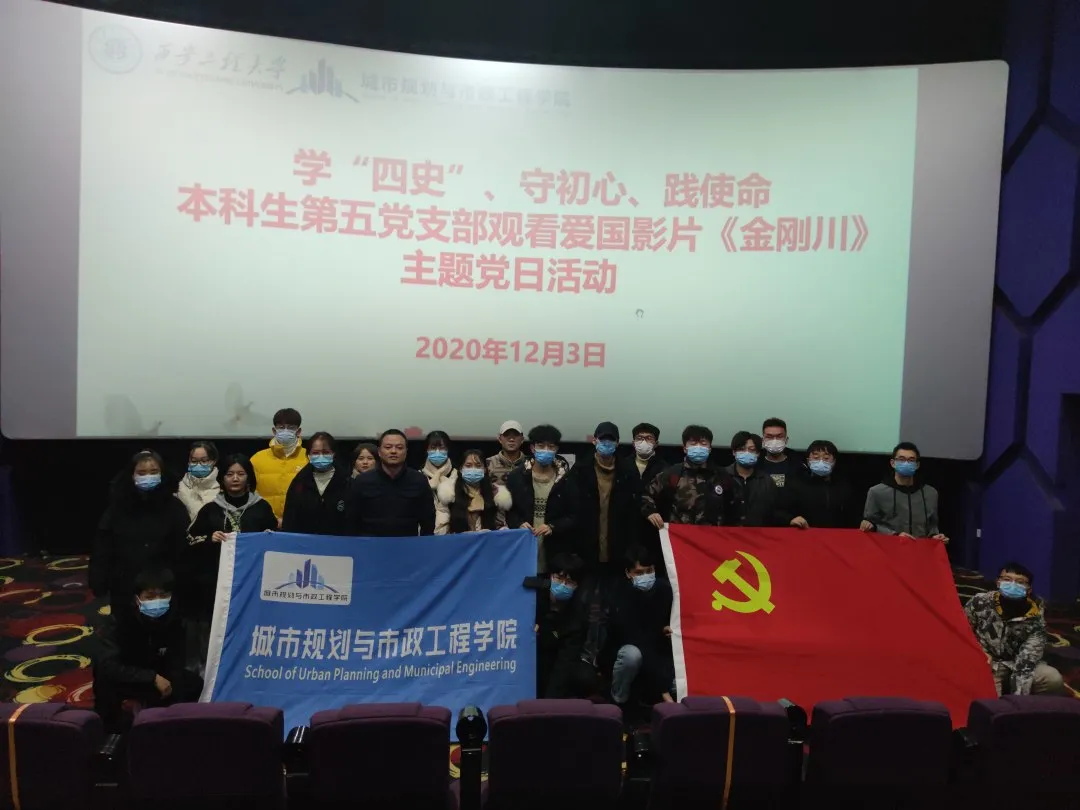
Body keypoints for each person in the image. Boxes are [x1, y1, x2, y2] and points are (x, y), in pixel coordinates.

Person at [186, 454, 276, 669]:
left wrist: (268, 537)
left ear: (249, 477)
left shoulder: (261, 508)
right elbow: (190, 540)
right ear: (222, 478)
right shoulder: (210, 509)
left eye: (240, 474)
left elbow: (276, 542)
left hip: (252, 583)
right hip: (215, 583)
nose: (235, 479)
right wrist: (209, 538)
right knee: (213, 629)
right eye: (229, 474)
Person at [91, 568, 202, 733]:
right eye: (150, 597)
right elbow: (109, 666)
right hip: (129, 678)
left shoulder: (177, 621)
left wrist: (169, 682)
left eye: (163, 596)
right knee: (106, 685)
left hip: (160, 678)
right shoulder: (118, 623)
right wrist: (151, 678)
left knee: (194, 684)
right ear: (137, 599)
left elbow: (178, 660)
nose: (157, 601)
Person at [90, 450, 190, 617]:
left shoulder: (175, 507)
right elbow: (103, 548)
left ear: (162, 474)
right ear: (132, 475)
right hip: (125, 584)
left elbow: (184, 549)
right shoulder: (117, 508)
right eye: (142, 473)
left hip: (165, 586)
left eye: (153, 472)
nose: (148, 477)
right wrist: (99, 582)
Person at [964, 562, 1065, 696]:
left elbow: (1027, 661)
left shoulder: (1035, 618)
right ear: (998, 582)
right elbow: (962, 632)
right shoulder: (979, 602)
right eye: (1007, 579)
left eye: (1020, 582)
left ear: (1029, 590)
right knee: (984, 698)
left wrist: (1016, 700)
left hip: (1017, 663)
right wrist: (977, 652)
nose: (1012, 585)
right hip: (986, 661)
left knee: (1052, 678)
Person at [606, 545, 675, 708]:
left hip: (659, 651)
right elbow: (634, 638)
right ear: (628, 573)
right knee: (632, 656)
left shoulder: (666, 590)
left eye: (649, 571)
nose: (645, 576)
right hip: (627, 649)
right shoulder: (619, 595)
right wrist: (662, 688)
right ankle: (618, 701)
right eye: (639, 572)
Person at [505, 424, 578, 572]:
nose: (545, 450)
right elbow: (509, 511)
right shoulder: (517, 477)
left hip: (555, 552)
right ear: (532, 448)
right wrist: (518, 523)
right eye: (541, 446)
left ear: (556, 449)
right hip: (524, 548)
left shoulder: (566, 479)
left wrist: (553, 527)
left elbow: (574, 515)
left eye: (550, 446)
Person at [346, 429, 436, 536]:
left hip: (407, 543)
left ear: (406, 451)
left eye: (399, 447)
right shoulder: (362, 481)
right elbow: (351, 520)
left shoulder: (419, 480)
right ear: (379, 452)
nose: (393, 451)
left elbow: (428, 521)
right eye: (388, 447)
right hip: (371, 543)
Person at [642, 425, 736, 528]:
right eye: (693, 443)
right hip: (680, 534)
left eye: (703, 443)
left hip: (712, 534)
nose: (698, 447)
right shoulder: (673, 473)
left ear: (709, 449)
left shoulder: (721, 475)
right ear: (685, 448)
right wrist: (650, 512)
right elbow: (646, 495)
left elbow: (735, 505)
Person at [577, 421, 638, 574]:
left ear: (617, 443)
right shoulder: (580, 469)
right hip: (588, 542)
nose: (606, 443)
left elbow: (634, 509)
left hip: (618, 543)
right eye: (602, 439)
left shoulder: (628, 470)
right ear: (594, 440)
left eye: (611, 440)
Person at [536, 553, 598, 699]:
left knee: (582, 676)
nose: (563, 585)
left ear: (577, 586)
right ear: (550, 577)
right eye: (559, 578)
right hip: (533, 656)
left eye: (570, 582)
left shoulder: (577, 616)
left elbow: (565, 662)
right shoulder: (533, 598)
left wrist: (548, 704)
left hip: (557, 657)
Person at [860, 442, 948, 542]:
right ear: (893, 463)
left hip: (920, 548)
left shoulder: (930, 493)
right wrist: (895, 535)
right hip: (889, 547)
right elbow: (871, 525)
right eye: (901, 459)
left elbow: (932, 525)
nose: (906, 463)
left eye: (911, 460)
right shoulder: (877, 492)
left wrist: (935, 536)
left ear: (917, 465)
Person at [282, 432, 349, 535]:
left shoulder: (346, 482)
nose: (320, 456)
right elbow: (290, 519)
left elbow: (353, 519)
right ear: (308, 455)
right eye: (315, 453)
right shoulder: (299, 483)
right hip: (305, 542)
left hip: (338, 541)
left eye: (326, 452)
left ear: (333, 454)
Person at [250, 407, 308, 525]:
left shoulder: (308, 458)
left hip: (300, 524)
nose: (285, 431)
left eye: (291, 427)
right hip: (265, 524)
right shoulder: (257, 459)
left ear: (298, 431)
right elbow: (250, 494)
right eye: (281, 427)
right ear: (274, 430)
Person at [622, 422, 668, 564]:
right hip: (626, 528)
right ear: (633, 442)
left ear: (656, 443)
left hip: (652, 530)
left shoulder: (666, 469)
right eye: (640, 438)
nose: (644, 442)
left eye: (649, 438)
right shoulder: (622, 465)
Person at [786, 440, 858, 528]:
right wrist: (791, 518)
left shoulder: (843, 485)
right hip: (804, 531)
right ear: (808, 461)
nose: (821, 461)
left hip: (834, 532)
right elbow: (784, 510)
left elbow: (852, 513)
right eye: (816, 458)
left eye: (826, 458)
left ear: (834, 461)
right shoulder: (796, 483)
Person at [724, 431, 782, 527]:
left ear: (758, 453)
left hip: (757, 533)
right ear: (734, 452)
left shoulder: (767, 481)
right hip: (727, 533)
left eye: (752, 450)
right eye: (742, 449)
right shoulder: (721, 476)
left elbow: (773, 512)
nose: (746, 453)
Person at [447, 449, 499, 533]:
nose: (473, 469)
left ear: (485, 469)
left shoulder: (495, 493)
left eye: (478, 466)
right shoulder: (449, 493)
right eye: (468, 466)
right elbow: (441, 529)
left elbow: (499, 524)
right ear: (461, 469)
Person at [486, 420, 527, 528]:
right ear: (500, 439)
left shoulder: (530, 464)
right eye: (507, 435)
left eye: (515, 435)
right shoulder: (488, 464)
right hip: (495, 525)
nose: (511, 439)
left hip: (524, 525)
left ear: (522, 439)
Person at [422, 430, 459, 535]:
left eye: (442, 448)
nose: (437, 452)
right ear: (426, 450)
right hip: (425, 534)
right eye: (433, 448)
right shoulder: (419, 476)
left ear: (448, 450)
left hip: (453, 533)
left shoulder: (457, 475)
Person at [176, 441, 220, 523]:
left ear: (214, 461)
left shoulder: (222, 488)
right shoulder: (178, 488)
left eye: (204, 461)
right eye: (194, 461)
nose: (198, 465)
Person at [760, 417, 801, 491]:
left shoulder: (798, 462)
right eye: (769, 437)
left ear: (786, 440)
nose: (774, 441)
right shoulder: (755, 463)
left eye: (779, 436)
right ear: (763, 440)